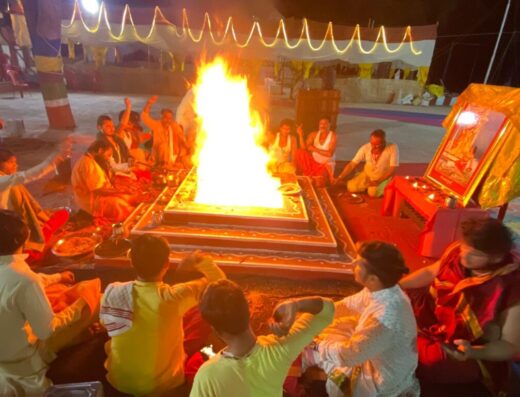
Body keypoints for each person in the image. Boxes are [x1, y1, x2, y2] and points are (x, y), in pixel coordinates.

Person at [399, 218, 520, 392]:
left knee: (431, 362)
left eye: (474, 254)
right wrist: (396, 286)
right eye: (464, 247)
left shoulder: (511, 286)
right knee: (395, 302)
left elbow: (510, 346)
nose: (463, 255)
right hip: (435, 317)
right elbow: (430, 271)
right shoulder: (460, 252)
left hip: (468, 346)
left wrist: (472, 352)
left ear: (496, 257)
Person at [101, 235, 226, 396]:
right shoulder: (173, 297)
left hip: (120, 382)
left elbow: (106, 324)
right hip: (164, 386)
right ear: (166, 264)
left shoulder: (113, 292)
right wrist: (198, 260)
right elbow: (220, 284)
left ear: (131, 261)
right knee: (200, 313)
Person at [0, 210, 101, 396]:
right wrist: (79, 306)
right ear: (19, 239)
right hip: (24, 358)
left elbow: (29, 280)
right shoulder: (24, 280)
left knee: (58, 289)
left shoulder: (20, 275)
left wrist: (58, 277)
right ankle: (77, 337)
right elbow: (47, 329)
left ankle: (76, 334)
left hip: (5, 352)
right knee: (93, 295)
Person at [303, 241, 419, 397]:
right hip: (376, 351)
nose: (352, 264)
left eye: (358, 264)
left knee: (320, 346)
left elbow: (348, 355)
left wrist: (316, 345)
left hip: (378, 379)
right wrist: (308, 311)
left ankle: (313, 366)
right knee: (333, 325)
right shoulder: (384, 289)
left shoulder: (385, 318)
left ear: (372, 279)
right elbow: (348, 305)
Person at [190, 279, 335, 397]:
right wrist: (296, 305)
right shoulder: (278, 350)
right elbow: (327, 310)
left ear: (215, 331)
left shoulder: (207, 376)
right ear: (249, 310)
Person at [0, 145, 70, 257]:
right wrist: (53, 160)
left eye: (15, 162)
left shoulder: (7, 179)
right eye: (10, 162)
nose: (15, 165)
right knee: (31, 252)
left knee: (63, 214)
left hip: (16, 222)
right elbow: (28, 175)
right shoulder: (2, 180)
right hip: (9, 228)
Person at [71, 140, 134, 221]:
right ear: (100, 151)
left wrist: (121, 189)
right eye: (108, 155)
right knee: (120, 204)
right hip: (91, 202)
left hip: (99, 196)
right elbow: (97, 190)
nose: (108, 158)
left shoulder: (92, 160)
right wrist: (119, 191)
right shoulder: (87, 163)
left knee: (128, 197)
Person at [333, 129, 398, 198]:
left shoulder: (392, 147)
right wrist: (340, 177)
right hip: (368, 174)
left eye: (377, 145)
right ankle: (366, 185)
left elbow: (393, 168)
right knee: (351, 187)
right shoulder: (365, 147)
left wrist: (379, 181)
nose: (373, 147)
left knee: (373, 193)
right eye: (372, 143)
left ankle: (381, 186)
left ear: (384, 142)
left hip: (382, 176)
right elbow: (352, 164)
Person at [141, 95, 190, 168]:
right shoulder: (157, 125)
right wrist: (149, 104)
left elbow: (181, 138)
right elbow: (145, 117)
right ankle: (163, 166)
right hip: (159, 158)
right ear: (161, 117)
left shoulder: (174, 126)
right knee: (163, 146)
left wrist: (187, 149)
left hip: (174, 156)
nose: (168, 120)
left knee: (188, 148)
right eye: (165, 118)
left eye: (170, 118)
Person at [295, 117, 337, 182]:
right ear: (319, 125)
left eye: (325, 123)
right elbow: (304, 148)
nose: (323, 125)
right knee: (299, 152)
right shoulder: (313, 134)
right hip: (313, 162)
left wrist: (314, 149)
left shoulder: (333, 136)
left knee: (319, 183)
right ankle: (308, 174)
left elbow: (329, 154)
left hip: (325, 165)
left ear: (329, 124)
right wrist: (300, 135)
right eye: (321, 123)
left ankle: (311, 175)